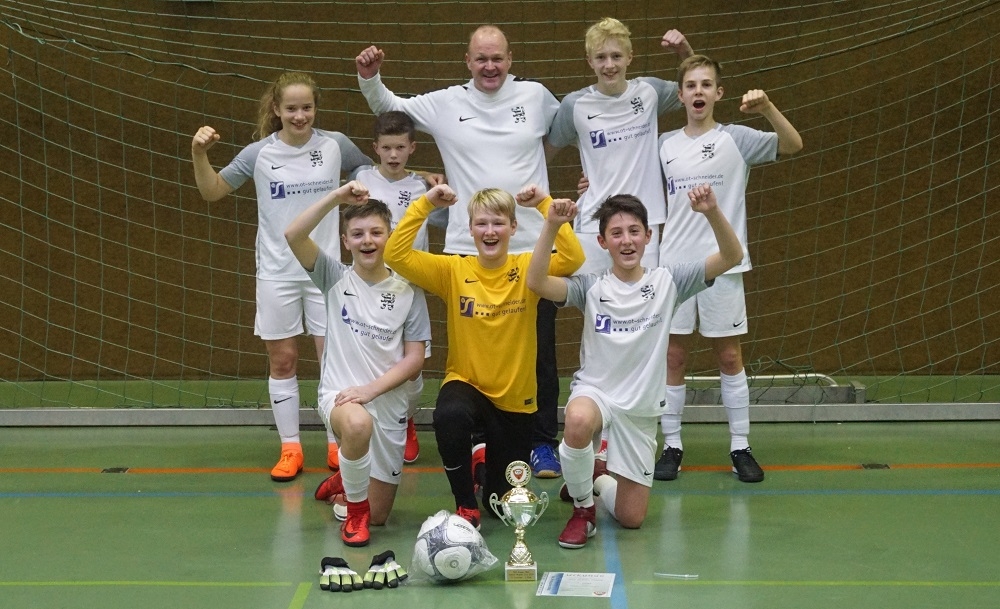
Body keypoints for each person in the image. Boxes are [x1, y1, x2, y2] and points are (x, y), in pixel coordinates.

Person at [356, 26, 566, 479]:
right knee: (475, 357)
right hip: (466, 251)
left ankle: (542, 442)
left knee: (540, 352)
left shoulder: (536, 97)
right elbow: (389, 106)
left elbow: (567, 128)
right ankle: (482, 441)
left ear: (510, 59)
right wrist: (370, 78)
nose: (490, 67)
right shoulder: (446, 103)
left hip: (531, 247)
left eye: (497, 58)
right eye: (481, 59)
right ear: (467, 61)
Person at [526, 185, 742, 548]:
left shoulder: (669, 281)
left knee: (631, 518)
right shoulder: (591, 287)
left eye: (633, 231)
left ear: (648, 236)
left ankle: (595, 479)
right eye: (616, 233)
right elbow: (535, 282)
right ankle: (583, 510)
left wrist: (711, 212)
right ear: (602, 242)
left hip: (640, 408)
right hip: (596, 393)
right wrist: (551, 225)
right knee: (577, 420)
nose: (626, 240)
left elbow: (732, 256)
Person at [191, 72, 373, 481]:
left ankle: (337, 441)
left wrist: (414, 179)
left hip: (326, 273)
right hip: (276, 274)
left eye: (307, 107)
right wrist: (199, 154)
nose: (300, 115)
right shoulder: (259, 153)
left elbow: (373, 170)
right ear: (277, 109)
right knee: (283, 359)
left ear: (316, 107)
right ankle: (290, 447)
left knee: (333, 361)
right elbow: (212, 191)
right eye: (291, 108)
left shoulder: (335, 145)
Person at [383, 183, 583, 528]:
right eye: (482, 224)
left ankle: (482, 469)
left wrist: (544, 205)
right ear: (470, 229)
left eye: (498, 223)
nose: (490, 231)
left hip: (515, 401)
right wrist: (426, 204)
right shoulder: (453, 271)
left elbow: (574, 259)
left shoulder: (529, 267)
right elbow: (395, 255)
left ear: (513, 227)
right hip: (468, 385)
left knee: (501, 503)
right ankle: (465, 504)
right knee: (449, 415)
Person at [655, 55, 804, 483]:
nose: (698, 91)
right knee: (673, 357)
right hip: (675, 267)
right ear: (680, 95)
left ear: (719, 93)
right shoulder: (663, 145)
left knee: (729, 356)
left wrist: (768, 108)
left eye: (706, 85)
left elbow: (793, 144)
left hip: (725, 265)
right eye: (691, 85)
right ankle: (672, 446)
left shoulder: (736, 138)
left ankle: (740, 446)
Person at [285, 181, 431, 547]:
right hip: (342, 397)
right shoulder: (334, 278)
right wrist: (337, 197)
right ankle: (355, 513)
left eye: (376, 232)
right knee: (356, 423)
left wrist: (371, 390)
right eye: (358, 234)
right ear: (346, 241)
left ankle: (346, 480)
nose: (368, 240)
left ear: (390, 237)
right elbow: (293, 234)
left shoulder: (409, 290)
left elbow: (415, 359)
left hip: (388, 403)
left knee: (381, 517)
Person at [547, 18, 693, 275]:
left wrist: (684, 51)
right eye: (601, 57)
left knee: (643, 298)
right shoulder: (574, 105)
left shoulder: (650, 92)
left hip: (644, 223)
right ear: (590, 61)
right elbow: (544, 155)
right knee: (593, 298)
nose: (609, 65)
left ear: (629, 57)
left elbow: (695, 85)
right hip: (593, 224)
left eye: (616, 56)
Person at [352, 110, 445, 464]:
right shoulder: (361, 178)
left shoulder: (423, 187)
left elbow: (450, 213)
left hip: (409, 287)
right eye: (387, 147)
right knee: (374, 359)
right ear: (375, 147)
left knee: (413, 366)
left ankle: (406, 421)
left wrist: (429, 181)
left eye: (400, 148)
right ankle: (370, 423)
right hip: (368, 287)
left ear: (412, 148)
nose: (393, 155)